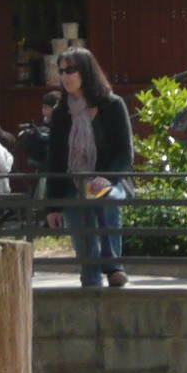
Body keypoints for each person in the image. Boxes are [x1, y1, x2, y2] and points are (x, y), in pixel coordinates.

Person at [44, 49, 133, 287]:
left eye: (71, 70)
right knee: (81, 228)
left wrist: (107, 178)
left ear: (86, 71)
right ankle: (92, 279)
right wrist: (52, 205)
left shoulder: (112, 105)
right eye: (61, 71)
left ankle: (114, 267)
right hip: (74, 183)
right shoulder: (61, 112)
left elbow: (125, 153)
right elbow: (54, 159)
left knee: (107, 199)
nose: (65, 76)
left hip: (107, 180)